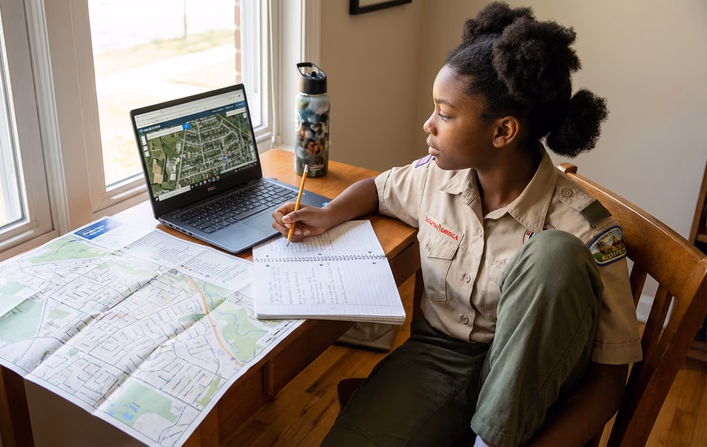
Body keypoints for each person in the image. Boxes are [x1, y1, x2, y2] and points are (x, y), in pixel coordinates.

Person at [271, 3, 642, 447]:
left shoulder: (585, 230)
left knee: (553, 254)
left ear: (503, 131)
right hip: (438, 359)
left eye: (444, 114)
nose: (427, 124)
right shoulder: (437, 176)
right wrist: (328, 214)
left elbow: (607, 383)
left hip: (536, 387)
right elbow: (378, 188)